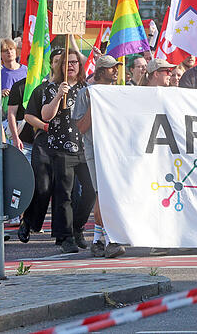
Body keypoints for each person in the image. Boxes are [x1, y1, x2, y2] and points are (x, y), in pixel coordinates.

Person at [41, 48, 94, 253]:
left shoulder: (85, 88)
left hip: (83, 145)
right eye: (67, 62)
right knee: (64, 194)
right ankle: (65, 237)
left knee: (90, 191)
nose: (71, 65)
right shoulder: (52, 87)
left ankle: (77, 227)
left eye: (74, 62)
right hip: (61, 148)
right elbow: (46, 115)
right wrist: (58, 96)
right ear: (60, 66)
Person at [73, 55, 125, 259]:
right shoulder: (86, 94)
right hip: (95, 149)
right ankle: (110, 239)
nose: (115, 71)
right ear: (100, 71)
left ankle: (97, 241)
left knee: (109, 194)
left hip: (117, 150)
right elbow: (81, 127)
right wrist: (97, 104)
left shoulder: (119, 92)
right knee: (102, 193)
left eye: (116, 68)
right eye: (111, 68)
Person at [19, 49, 63, 244]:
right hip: (45, 143)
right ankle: (29, 222)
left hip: (66, 145)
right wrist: (45, 126)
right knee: (43, 187)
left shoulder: (77, 88)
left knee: (64, 190)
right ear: (51, 64)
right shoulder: (42, 89)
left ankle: (64, 233)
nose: (61, 65)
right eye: (57, 61)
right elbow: (29, 116)